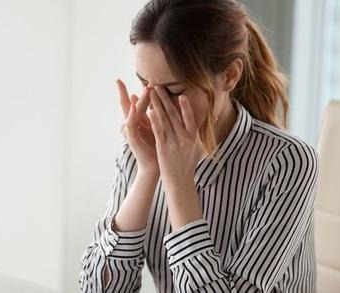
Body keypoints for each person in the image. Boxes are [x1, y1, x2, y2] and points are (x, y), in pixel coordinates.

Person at [78, 0, 319, 292]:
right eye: (144, 85)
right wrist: (148, 172)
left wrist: (180, 185)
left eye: (174, 90)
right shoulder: (141, 150)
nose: (153, 105)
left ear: (229, 75)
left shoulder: (288, 162)